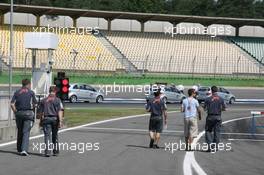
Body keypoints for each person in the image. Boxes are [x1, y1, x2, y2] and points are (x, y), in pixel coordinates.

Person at [11, 79, 37, 156]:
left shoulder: (17, 92)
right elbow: (35, 104)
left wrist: (16, 112)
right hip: (28, 114)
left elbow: (12, 104)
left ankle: (19, 148)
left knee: (19, 130)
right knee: (26, 131)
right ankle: (24, 150)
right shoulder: (31, 92)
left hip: (19, 113)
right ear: (28, 84)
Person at [38, 86, 64, 157]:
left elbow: (40, 113)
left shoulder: (43, 100)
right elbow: (60, 111)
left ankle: (47, 152)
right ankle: (55, 151)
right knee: (55, 135)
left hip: (46, 119)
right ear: (55, 92)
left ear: (49, 91)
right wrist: (60, 121)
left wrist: (40, 121)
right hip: (55, 119)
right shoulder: (58, 100)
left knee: (47, 136)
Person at [203, 86, 226, 152]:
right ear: (217, 91)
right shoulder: (221, 99)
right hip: (218, 117)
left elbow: (204, 109)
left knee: (208, 131)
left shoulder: (208, 99)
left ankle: (210, 146)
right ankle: (215, 147)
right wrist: (219, 109)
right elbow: (224, 108)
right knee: (217, 132)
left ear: (211, 91)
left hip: (210, 117)